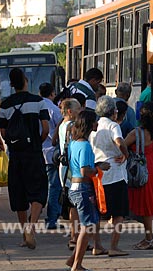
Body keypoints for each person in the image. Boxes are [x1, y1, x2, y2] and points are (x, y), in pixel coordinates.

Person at [0, 68, 49, 249]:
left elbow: (3, 132)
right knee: (38, 191)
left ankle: (23, 232)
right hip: (34, 153)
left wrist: (13, 143)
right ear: (26, 80)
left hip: (16, 154)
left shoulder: (5, 104)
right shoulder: (38, 101)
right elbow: (45, 129)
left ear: (11, 84)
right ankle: (32, 228)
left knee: (18, 194)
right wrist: (36, 142)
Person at [65, 110, 110, 271]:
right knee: (88, 226)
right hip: (83, 188)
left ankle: (74, 259)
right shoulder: (84, 145)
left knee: (88, 225)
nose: (98, 123)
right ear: (90, 124)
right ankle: (77, 264)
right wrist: (99, 168)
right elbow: (85, 170)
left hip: (74, 187)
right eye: (96, 121)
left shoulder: (74, 143)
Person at [125, 101, 153, 250]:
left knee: (146, 205)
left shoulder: (136, 132)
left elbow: (122, 145)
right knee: (150, 203)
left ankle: (150, 239)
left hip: (141, 169)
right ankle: (148, 237)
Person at [91, 96, 130, 257]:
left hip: (98, 173)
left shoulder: (95, 125)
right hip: (115, 173)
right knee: (118, 213)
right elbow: (119, 141)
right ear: (113, 112)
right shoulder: (113, 125)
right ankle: (114, 246)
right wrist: (125, 154)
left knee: (97, 214)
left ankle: (97, 245)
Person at [53, 98, 82, 251]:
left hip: (64, 168)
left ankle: (74, 236)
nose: (80, 112)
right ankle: (76, 238)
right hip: (72, 169)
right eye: (78, 109)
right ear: (70, 111)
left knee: (72, 205)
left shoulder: (62, 125)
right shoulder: (72, 126)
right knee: (77, 204)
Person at [38, 83, 63, 230]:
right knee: (54, 187)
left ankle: (35, 214)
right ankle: (52, 219)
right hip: (51, 153)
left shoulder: (35, 108)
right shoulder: (54, 109)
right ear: (52, 94)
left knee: (40, 186)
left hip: (37, 152)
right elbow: (58, 130)